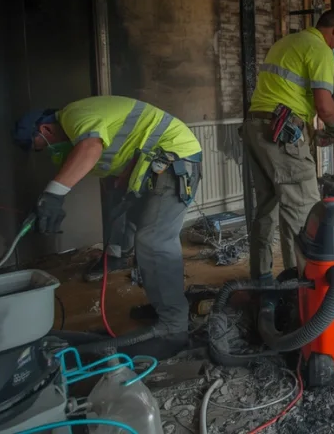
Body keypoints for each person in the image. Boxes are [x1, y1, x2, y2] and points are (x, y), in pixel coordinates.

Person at [13, 95, 202, 358]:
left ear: (44, 129)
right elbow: (120, 162)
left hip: (174, 159)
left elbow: (90, 148)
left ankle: (174, 327)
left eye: (41, 146)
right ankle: (166, 310)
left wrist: (53, 194)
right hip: (155, 165)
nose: (47, 151)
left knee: (154, 241)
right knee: (145, 239)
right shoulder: (81, 128)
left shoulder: (73, 115)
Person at [243, 9, 334, 285]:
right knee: (302, 208)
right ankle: (298, 286)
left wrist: (311, 134)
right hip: (280, 132)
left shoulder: (286, 43)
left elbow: (282, 97)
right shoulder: (320, 49)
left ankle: (262, 278)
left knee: (265, 207)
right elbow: (325, 107)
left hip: (258, 128)